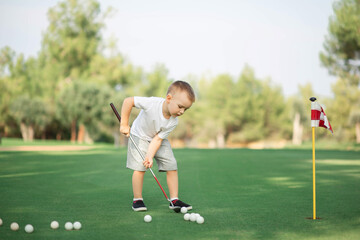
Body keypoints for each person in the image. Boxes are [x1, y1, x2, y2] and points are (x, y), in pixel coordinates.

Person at [119, 80, 195, 212]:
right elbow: (128, 101)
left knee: (171, 165)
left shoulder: (173, 121)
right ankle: (137, 200)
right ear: (169, 98)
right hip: (139, 136)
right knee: (140, 168)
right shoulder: (152, 103)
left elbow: (157, 140)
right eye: (180, 106)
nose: (182, 111)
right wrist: (124, 124)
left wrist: (150, 155)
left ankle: (174, 200)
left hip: (157, 138)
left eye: (186, 109)